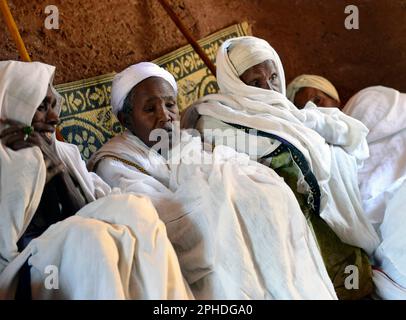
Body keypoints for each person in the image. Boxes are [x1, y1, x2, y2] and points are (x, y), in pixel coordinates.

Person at [89, 62, 338, 300]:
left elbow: (234, 163)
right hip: (186, 246)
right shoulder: (115, 162)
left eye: (170, 105)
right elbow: (158, 219)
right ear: (126, 120)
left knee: (272, 193)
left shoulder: (189, 139)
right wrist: (217, 192)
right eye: (150, 109)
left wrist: (238, 183)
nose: (165, 116)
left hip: (225, 220)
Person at [181, 36, 381, 299]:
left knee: (358, 278)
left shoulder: (291, 112)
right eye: (255, 82)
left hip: (323, 222)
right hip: (280, 224)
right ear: (234, 83)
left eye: (273, 77)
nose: (268, 88)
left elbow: (344, 138)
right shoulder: (216, 119)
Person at [0, 60, 191, 300]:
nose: (53, 117)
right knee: (90, 238)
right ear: (9, 108)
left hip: (76, 243)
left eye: (53, 105)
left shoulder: (65, 153)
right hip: (33, 270)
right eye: (40, 107)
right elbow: (7, 251)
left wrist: (59, 171)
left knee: (137, 209)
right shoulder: (9, 165)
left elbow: (93, 207)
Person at [343, 86, 406, 228]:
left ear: (334, 98)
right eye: (301, 106)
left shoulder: (365, 98)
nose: (315, 106)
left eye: (318, 99)